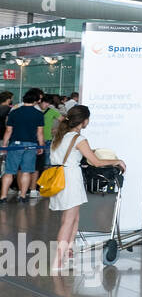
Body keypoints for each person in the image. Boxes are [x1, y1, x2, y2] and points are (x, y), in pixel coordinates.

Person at [47, 106, 126, 272]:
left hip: (58, 177)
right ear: (84, 120)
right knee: (69, 221)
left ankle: (69, 252)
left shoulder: (59, 136)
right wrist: (117, 161)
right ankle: (57, 261)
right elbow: (96, 162)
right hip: (71, 179)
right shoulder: (78, 139)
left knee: (72, 218)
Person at [2, 89, 46, 201]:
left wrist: (5, 144)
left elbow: (8, 130)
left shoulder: (14, 112)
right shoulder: (38, 114)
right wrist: (41, 146)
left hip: (15, 144)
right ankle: (22, 196)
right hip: (31, 145)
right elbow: (40, 132)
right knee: (26, 171)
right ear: (36, 101)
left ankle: (3, 196)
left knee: (9, 172)